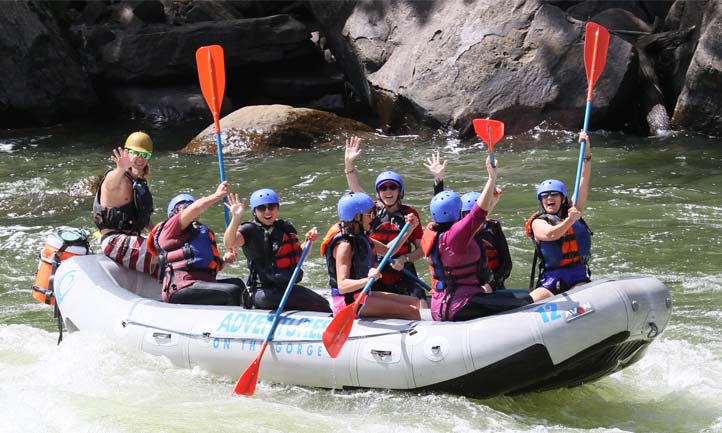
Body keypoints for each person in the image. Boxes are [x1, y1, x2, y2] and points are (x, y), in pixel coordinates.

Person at [421, 156, 532, 321]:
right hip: (462, 303)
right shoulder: (456, 235)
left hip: (442, 303)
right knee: (527, 302)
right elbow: (478, 213)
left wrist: (438, 181)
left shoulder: (433, 231)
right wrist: (491, 179)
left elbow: (442, 207)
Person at [343, 136, 427, 304]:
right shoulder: (371, 210)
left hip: (403, 271)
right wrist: (349, 164)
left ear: (399, 191)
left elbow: (421, 250)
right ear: (378, 192)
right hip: (375, 271)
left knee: (421, 302)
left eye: (392, 187)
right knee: (371, 302)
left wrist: (406, 259)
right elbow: (355, 187)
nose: (388, 191)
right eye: (383, 188)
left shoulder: (410, 214)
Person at [223, 189, 331, 313]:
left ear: (277, 208)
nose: (267, 211)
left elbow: (299, 255)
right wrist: (235, 218)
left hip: (285, 288)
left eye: (271, 207)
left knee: (323, 303)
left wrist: (309, 241)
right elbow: (229, 242)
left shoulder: (284, 228)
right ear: (254, 211)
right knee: (320, 307)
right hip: (262, 293)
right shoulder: (249, 230)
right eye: (261, 208)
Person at [321, 192, 422, 319]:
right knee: (412, 311)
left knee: (414, 302)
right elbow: (342, 286)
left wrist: (408, 230)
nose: (373, 218)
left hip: (362, 294)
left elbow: (387, 250)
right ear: (357, 217)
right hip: (348, 301)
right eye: (370, 214)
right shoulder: (344, 246)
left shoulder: (360, 237)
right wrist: (368, 280)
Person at [424, 151, 512, 290]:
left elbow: (506, 264)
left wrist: (492, 285)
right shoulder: (455, 234)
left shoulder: (492, 229)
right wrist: (438, 179)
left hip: (490, 287)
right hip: (464, 289)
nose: (468, 218)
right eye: (464, 214)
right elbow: (442, 210)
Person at [148, 181, 244, 305]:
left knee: (238, 283)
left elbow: (206, 266)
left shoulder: (201, 232)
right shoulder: (171, 226)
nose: (188, 208)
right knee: (233, 291)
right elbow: (196, 207)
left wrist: (225, 261)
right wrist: (217, 195)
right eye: (183, 206)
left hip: (202, 284)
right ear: (174, 212)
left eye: (190, 205)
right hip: (181, 286)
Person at [525, 132, 593, 302]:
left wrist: (586, 153)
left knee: (584, 295)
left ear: (562, 198)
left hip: (578, 276)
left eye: (554, 195)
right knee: (528, 303)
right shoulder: (539, 221)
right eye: (545, 196)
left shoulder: (573, 210)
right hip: (551, 279)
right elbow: (550, 235)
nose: (549, 198)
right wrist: (571, 220)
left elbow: (583, 180)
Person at [93, 131, 156, 274]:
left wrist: (160, 236)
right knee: (167, 255)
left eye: (145, 155)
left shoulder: (138, 182)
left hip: (132, 239)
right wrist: (121, 168)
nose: (141, 158)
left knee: (172, 248)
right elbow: (110, 184)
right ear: (127, 152)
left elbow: (144, 219)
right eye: (137, 153)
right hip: (114, 241)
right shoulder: (116, 177)